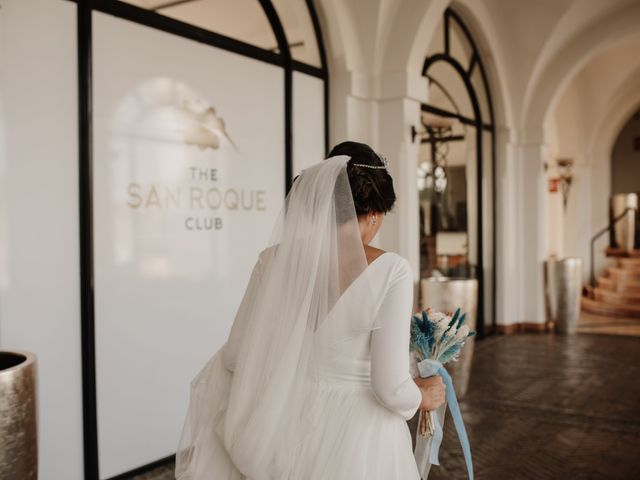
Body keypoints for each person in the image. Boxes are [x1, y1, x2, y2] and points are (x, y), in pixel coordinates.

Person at [175, 141, 446, 479]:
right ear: (375, 214)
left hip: (282, 433)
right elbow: (389, 386)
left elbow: (235, 357)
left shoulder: (271, 260)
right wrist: (423, 395)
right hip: (360, 442)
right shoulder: (392, 270)